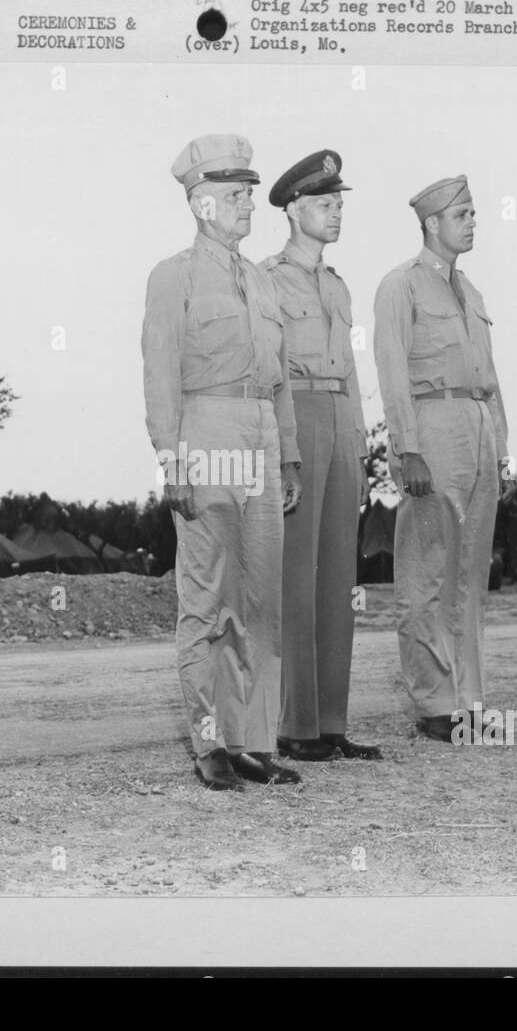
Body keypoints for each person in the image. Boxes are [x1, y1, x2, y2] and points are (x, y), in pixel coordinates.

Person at [142, 133, 304, 790]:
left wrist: (287, 451)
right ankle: (210, 743)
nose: (248, 207)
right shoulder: (172, 277)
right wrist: (170, 461)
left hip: (261, 427)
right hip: (204, 429)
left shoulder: (263, 282)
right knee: (208, 598)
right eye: (236, 196)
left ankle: (254, 743)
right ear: (202, 203)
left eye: (248, 195)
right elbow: (160, 376)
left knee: (261, 599)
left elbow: (281, 376)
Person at [372, 175, 513, 742]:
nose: (474, 222)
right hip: (432, 429)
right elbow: (391, 371)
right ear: (432, 223)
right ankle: (434, 705)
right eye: (464, 215)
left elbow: (491, 378)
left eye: (475, 213)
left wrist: (501, 447)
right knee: (426, 572)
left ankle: (469, 703)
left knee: (470, 577)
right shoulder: (400, 286)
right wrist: (407, 448)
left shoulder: (471, 292)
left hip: (477, 430)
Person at [261, 150, 381, 763]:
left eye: (340, 205)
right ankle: (295, 726)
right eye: (326, 205)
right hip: (298, 417)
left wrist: (361, 445)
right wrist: (284, 450)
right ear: (294, 210)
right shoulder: (267, 278)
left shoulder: (338, 285)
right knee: (296, 578)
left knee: (339, 578)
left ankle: (331, 722)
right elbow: (272, 371)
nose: (337, 215)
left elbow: (354, 371)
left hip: (339, 417)